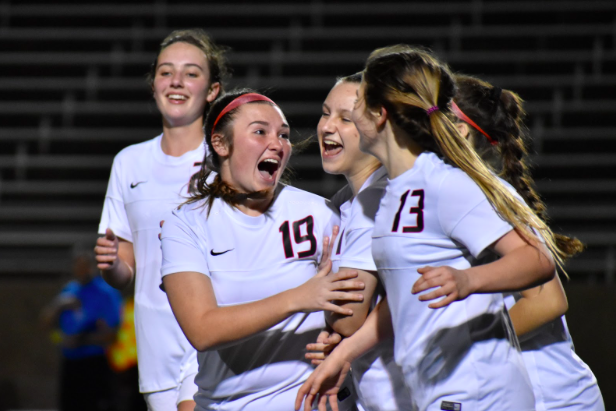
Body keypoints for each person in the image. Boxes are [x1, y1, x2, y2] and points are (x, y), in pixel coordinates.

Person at [296, 45, 563, 411]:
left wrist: (467, 280)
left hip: (479, 393)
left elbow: (537, 260)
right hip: (436, 392)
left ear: (379, 114)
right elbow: (404, 299)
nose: (340, 121)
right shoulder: (390, 193)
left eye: (355, 106)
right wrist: (344, 354)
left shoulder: (445, 184)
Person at [159, 89, 364, 411]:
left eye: (283, 134)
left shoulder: (320, 214)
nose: (277, 143)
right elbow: (202, 329)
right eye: (260, 132)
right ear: (221, 144)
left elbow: (354, 314)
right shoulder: (186, 224)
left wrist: (339, 340)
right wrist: (299, 297)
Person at [452, 73, 605, 411]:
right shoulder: (453, 194)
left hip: (550, 397)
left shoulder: (485, 196)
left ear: (459, 130)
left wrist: (464, 346)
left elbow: (547, 303)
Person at [94, 28, 228, 411]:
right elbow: (125, 271)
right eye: (166, 71)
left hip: (212, 329)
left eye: (191, 73)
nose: (177, 82)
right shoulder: (129, 162)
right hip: (155, 341)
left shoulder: (225, 160)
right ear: (153, 83)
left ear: (213, 89)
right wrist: (112, 265)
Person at [307, 73, 413, 411]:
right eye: (325, 113)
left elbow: (349, 317)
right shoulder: (351, 202)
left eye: (345, 118)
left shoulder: (378, 201)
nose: (326, 126)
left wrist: (311, 293)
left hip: (403, 396)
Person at [41, 250, 122, 411]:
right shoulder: (69, 290)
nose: (82, 270)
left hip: (94, 362)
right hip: (71, 361)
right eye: (78, 266)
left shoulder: (106, 293)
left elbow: (112, 334)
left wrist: (83, 339)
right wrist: (59, 305)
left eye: (85, 266)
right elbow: (46, 322)